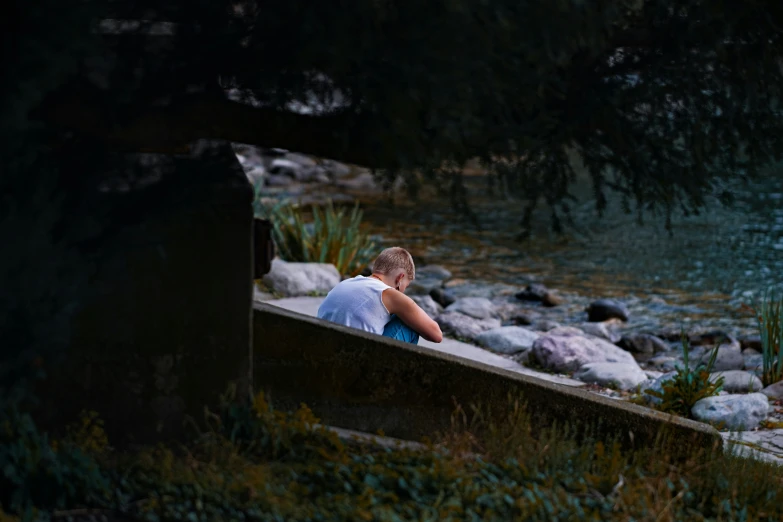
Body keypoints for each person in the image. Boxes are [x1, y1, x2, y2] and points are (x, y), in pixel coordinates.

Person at [317, 247, 443, 344]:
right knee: (408, 324)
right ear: (400, 278)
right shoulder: (388, 293)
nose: (403, 291)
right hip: (356, 364)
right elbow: (436, 334)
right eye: (405, 286)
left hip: (324, 354)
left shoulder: (344, 284)